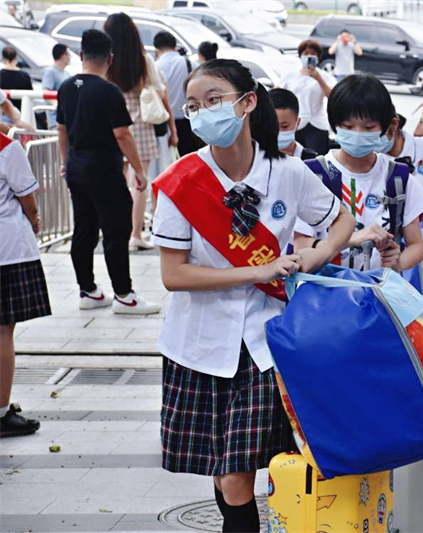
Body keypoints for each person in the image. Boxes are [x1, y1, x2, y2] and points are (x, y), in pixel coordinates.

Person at [152, 58, 355, 533]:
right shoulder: (182, 181)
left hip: (265, 343)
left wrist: (317, 255)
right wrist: (257, 269)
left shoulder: (287, 172)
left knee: (238, 474)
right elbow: (173, 274)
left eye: (214, 100)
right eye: (193, 105)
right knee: (225, 474)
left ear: (247, 103)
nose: (203, 112)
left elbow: (341, 220)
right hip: (198, 344)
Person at [57, 29, 161, 315]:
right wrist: (139, 171)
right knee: (116, 230)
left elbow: (61, 130)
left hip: (76, 169)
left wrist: (65, 161)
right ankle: (124, 295)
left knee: (84, 230)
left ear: (81, 55)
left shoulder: (66, 87)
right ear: (110, 58)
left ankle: (88, 291)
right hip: (103, 170)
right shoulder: (108, 91)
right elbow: (122, 134)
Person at [294, 73, 423, 273]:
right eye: (348, 126)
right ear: (335, 124)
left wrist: (397, 264)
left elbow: (416, 245)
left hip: (377, 289)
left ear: (385, 127)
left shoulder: (398, 177)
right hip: (325, 288)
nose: (358, 133)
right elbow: (300, 246)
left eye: (368, 127)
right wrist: (349, 240)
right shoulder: (313, 174)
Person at [104, 13, 176, 253]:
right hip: (141, 126)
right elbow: (158, 89)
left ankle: (117, 231)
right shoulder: (143, 60)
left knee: (118, 181)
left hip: (113, 125)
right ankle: (135, 234)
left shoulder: (107, 60)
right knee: (140, 181)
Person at [0, 131, 50, 438]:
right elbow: (27, 198)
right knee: (2, 330)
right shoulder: (7, 148)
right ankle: (1, 412)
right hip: (5, 250)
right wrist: (34, 219)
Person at [278, 39, 335, 155]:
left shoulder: (325, 76)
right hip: (296, 123)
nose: (309, 56)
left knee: (315, 158)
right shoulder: (290, 75)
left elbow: (333, 97)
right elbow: (277, 94)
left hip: (317, 123)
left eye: (313, 54)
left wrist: (318, 79)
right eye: (306, 53)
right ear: (300, 56)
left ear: (318, 57)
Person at [155, 31, 198, 157]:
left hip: (166, 123)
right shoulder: (190, 63)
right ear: (175, 47)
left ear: (157, 50)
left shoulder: (155, 67)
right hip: (189, 119)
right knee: (190, 157)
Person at [269, 87, 317, 160]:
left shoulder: (310, 161)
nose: (278, 131)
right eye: (272, 126)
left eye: (284, 126)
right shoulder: (254, 160)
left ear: (297, 123)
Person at [41, 44, 71, 130]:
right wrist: (56, 104)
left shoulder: (66, 74)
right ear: (63, 56)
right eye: (68, 54)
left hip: (66, 118)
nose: (70, 57)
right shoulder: (50, 72)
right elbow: (46, 91)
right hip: (55, 120)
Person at [0, 47, 32, 121]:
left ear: (3, 58)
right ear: (16, 57)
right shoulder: (25, 76)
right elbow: (30, 94)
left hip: (5, 114)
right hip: (22, 113)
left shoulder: (1, 75)